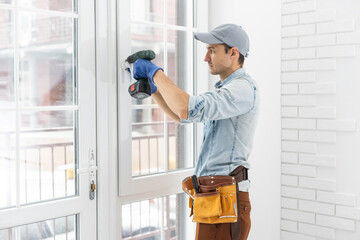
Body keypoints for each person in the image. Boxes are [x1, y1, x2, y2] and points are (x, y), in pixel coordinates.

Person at [132, 23, 260, 240]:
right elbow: (181, 115)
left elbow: (186, 108)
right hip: (213, 196)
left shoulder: (242, 89)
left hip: (225, 198)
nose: (205, 58)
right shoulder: (224, 90)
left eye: (212, 50)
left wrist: (155, 73)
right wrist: (153, 90)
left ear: (233, 53)